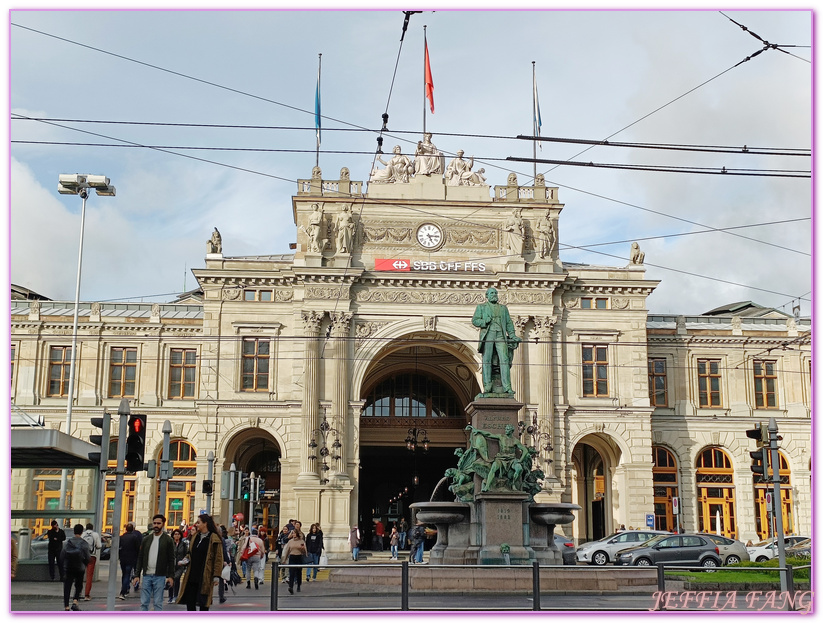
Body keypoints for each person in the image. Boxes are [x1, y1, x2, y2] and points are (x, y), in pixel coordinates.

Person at [472, 286, 521, 395]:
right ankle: (487, 386)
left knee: (504, 360)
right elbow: (475, 321)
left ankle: (507, 387)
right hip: (488, 335)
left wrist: (512, 335)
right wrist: (484, 321)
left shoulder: (503, 308)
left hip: (500, 335)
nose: (494, 295)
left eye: (495, 293)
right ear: (487, 296)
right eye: (492, 293)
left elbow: (509, 323)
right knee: (487, 361)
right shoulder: (481, 307)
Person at [177, 514, 223, 611]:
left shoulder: (213, 537)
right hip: (191, 574)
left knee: (203, 603)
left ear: (205, 523)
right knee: (190, 602)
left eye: (198, 522)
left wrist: (216, 576)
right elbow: (190, 553)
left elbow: (218, 558)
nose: (196, 525)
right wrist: (185, 560)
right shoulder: (195, 536)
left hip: (205, 575)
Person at [133, 514, 175, 611]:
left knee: (158, 603)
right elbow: (140, 557)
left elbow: (171, 559)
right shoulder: (146, 539)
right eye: (154, 523)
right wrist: (137, 575)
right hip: (147, 575)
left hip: (160, 576)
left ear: (163, 524)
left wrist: (171, 576)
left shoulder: (168, 540)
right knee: (144, 603)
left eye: (158, 523)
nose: (156, 525)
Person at [61, 524, 90, 612]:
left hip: (69, 567)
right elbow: (88, 557)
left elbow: (62, 555)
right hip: (79, 567)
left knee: (67, 586)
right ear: (82, 532)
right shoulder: (84, 543)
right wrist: (84, 564)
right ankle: (75, 601)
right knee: (78, 585)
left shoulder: (68, 542)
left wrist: (64, 565)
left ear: (74, 531)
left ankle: (66, 606)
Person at [118, 522, 141, 600]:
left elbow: (119, 548)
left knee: (124, 574)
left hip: (123, 558)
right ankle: (123, 592)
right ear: (133, 529)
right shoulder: (134, 537)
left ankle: (125, 589)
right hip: (131, 559)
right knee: (127, 575)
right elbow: (138, 548)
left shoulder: (122, 537)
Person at [281, 528, 307, 595]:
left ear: (297, 534)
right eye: (293, 533)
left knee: (298, 572)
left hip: (299, 557)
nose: (293, 534)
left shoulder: (301, 541)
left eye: (295, 533)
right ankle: (291, 587)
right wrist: (284, 559)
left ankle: (298, 585)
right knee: (291, 573)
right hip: (292, 557)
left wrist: (303, 549)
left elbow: (305, 552)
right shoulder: (290, 541)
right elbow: (287, 551)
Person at [81, 522, 102, 601]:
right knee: (89, 576)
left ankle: (78, 593)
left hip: (83, 557)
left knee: (80, 575)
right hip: (92, 556)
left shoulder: (83, 535)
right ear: (92, 528)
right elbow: (99, 546)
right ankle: (87, 595)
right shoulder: (95, 535)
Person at [168, 528, 189, 604]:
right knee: (171, 579)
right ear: (173, 536)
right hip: (171, 565)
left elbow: (186, 553)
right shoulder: (170, 543)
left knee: (176, 579)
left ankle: (175, 595)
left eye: (178, 534)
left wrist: (184, 561)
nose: (176, 536)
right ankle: (170, 596)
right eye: (175, 534)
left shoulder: (183, 544)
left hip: (180, 565)